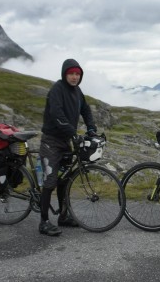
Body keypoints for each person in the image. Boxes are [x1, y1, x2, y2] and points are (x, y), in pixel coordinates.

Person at [38, 58, 98, 236]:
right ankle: (43, 222)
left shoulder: (77, 91)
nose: (74, 77)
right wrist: (73, 132)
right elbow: (56, 114)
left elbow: (85, 110)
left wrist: (92, 128)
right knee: (50, 181)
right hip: (51, 141)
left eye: (77, 74)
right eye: (71, 73)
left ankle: (63, 216)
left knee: (64, 180)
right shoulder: (57, 89)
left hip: (65, 142)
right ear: (65, 74)